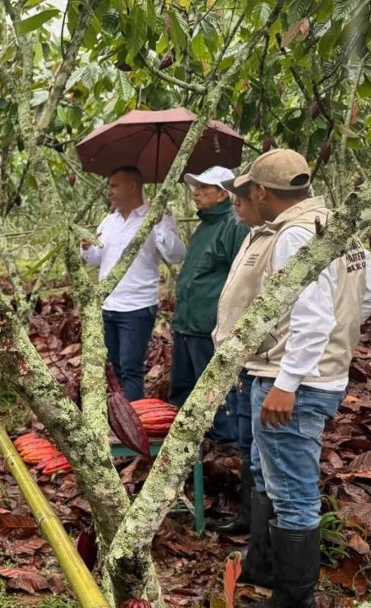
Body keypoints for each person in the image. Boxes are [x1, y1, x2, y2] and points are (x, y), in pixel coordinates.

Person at [216, 149, 371, 605]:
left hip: (289, 381)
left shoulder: (294, 236)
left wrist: (288, 381)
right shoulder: (335, 227)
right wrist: (337, 348)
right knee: (271, 476)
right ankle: (265, 570)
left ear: (263, 191)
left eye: (248, 189)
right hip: (301, 374)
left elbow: (312, 320)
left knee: (292, 490)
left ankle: (294, 598)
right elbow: (369, 297)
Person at [81, 166, 186, 400]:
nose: (110, 192)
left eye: (114, 185)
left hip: (136, 307)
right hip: (108, 304)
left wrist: (157, 224)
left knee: (131, 367)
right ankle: (118, 417)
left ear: (132, 186)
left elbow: (176, 255)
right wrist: (86, 247)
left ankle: (133, 423)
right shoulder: (108, 222)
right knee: (113, 366)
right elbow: (98, 260)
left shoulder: (157, 218)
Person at [169, 166, 249, 444]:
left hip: (209, 327)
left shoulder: (234, 225)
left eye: (204, 188)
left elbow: (242, 279)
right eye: (196, 186)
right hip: (186, 324)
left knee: (215, 396)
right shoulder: (205, 225)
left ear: (222, 194)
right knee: (184, 393)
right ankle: (185, 451)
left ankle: (224, 452)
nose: (196, 192)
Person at [206, 185, 263, 536]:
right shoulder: (253, 236)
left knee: (264, 451)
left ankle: (263, 545)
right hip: (244, 358)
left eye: (243, 197)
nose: (236, 203)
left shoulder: (289, 238)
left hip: (268, 362)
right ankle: (248, 520)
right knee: (247, 442)